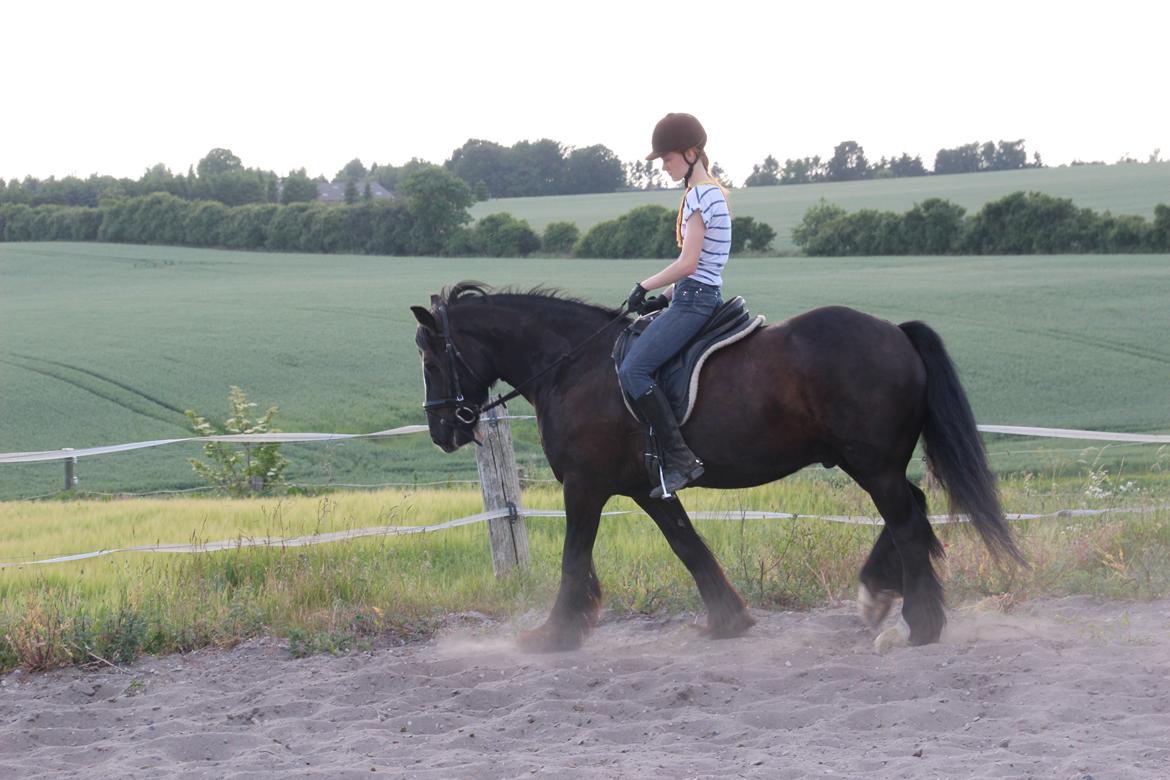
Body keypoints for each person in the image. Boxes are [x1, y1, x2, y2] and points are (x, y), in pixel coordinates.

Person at [618, 112, 732, 499]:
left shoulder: (700, 195)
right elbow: (702, 266)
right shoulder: (713, 192)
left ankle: (680, 458)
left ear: (691, 152)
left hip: (694, 302)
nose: (663, 166)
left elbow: (688, 263)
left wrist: (642, 285)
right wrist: (661, 297)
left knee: (634, 369)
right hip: (692, 295)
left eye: (667, 158)